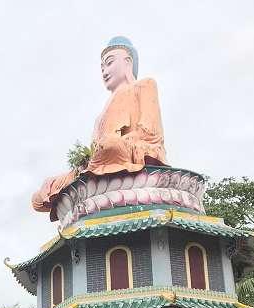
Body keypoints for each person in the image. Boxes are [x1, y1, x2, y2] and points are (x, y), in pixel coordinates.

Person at [32, 36, 167, 212]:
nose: (104, 71)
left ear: (128, 62)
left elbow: (151, 135)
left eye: (109, 63)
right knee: (40, 194)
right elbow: (95, 153)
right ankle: (91, 179)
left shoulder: (145, 85)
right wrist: (85, 162)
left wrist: (115, 144)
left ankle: (92, 182)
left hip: (130, 154)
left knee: (109, 145)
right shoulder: (100, 116)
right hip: (101, 163)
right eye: (102, 67)